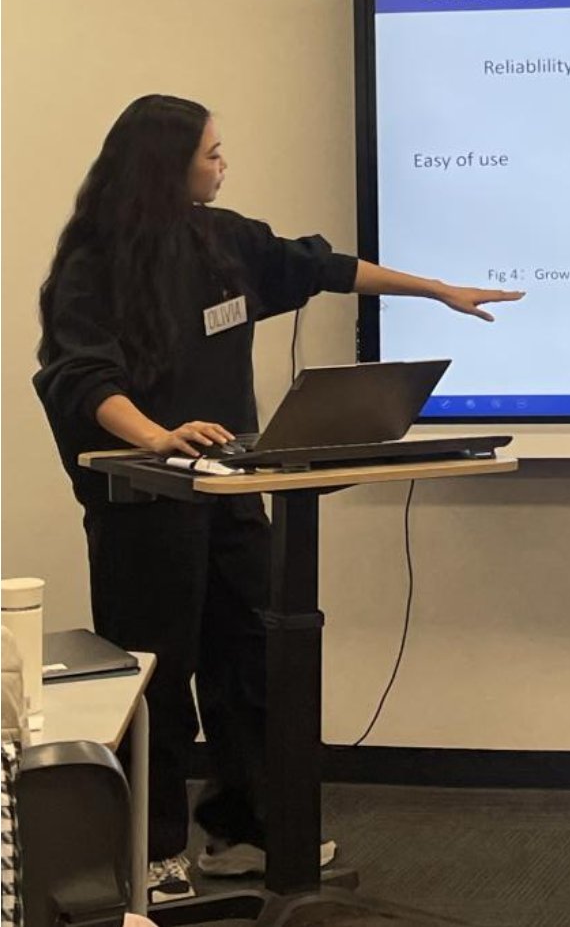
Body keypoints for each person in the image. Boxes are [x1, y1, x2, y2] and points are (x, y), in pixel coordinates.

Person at [33, 94, 523, 904]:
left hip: (234, 488)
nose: (223, 164)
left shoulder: (225, 240)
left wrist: (436, 290)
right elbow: (81, 379)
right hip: (146, 502)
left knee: (254, 662)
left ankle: (249, 834)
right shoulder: (94, 265)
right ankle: (152, 856)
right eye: (211, 153)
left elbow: (324, 268)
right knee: (159, 678)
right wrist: (157, 436)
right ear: (167, 165)